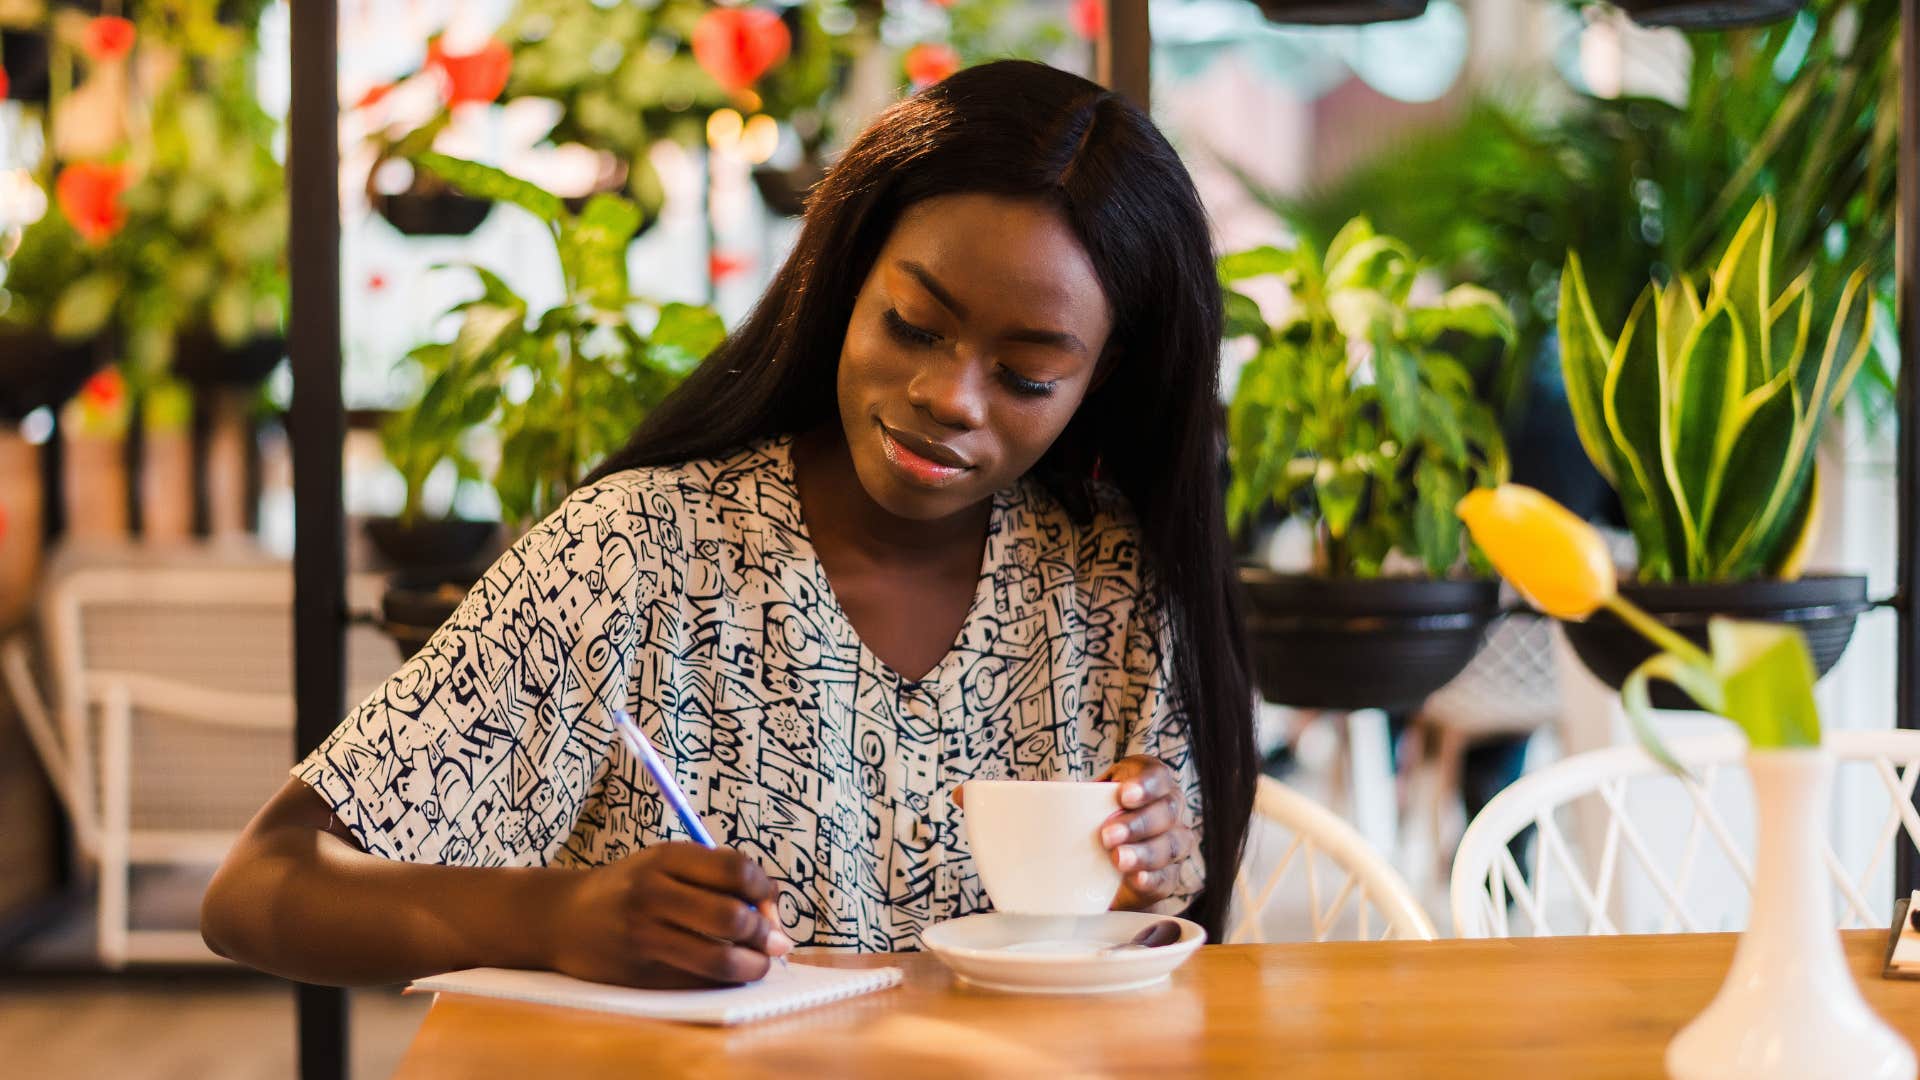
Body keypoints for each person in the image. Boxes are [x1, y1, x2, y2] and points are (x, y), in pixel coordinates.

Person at [201, 59, 1256, 989]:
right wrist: (555, 918)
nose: (951, 397)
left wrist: (1147, 876)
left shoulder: (1107, 583)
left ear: (1100, 374)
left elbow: (1148, 956)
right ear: (847, 280)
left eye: (1026, 374)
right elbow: (261, 889)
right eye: (912, 324)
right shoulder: (632, 559)